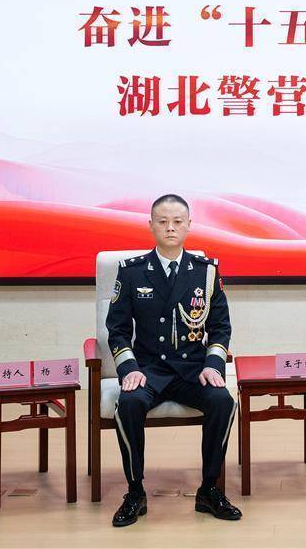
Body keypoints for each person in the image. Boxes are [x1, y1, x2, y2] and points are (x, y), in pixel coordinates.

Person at [106, 194, 241, 527]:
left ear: (189, 226)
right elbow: (118, 330)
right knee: (129, 404)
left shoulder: (206, 272)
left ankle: (209, 489)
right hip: (149, 370)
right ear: (151, 225)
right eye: (163, 221)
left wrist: (213, 365)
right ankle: (135, 491)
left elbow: (220, 327)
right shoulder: (133, 272)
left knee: (223, 401)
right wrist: (129, 369)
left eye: (177, 221)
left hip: (192, 369)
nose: (170, 228)